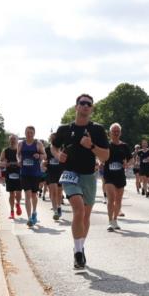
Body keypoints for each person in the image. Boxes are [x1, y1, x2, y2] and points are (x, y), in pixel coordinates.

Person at [54, 94, 109, 269]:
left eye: (89, 104)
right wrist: (57, 155)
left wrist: (91, 146)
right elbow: (53, 146)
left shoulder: (97, 130)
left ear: (91, 109)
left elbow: (106, 156)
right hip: (70, 174)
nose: (85, 106)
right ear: (76, 106)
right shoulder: (64, 129)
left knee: (85, 215)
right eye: (82, 103)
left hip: (88, 176)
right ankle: (78, 253)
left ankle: (80, 247)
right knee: (78, 210)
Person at [104, 123, 131, 231]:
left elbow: (130, 158)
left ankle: (115, 219)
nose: (115, 133)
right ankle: (110, 221)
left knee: (118, 200)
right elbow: (99, 155)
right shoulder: (106, 145)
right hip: (109, 175)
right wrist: (100, 161)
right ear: (110, 133)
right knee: (111, 198)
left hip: (120, 175)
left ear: (120, 133)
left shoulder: (124, 146)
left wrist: (127, 164)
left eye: (117, 131)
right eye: (114, 131)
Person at [19, 126, 46, 227]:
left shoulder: (38, 144)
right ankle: (29, 217)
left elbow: (45, 155)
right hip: (24, 173)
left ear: (34, 134)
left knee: (34, 195)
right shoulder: (21, 144)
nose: (29, 134)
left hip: (35, 173)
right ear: (25, 133)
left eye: (31, 132)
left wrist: (39, 156)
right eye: (27, 132)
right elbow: (18, 154)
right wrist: (18, 160)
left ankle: (34, 212)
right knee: (27, 194)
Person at [0, 135, 22, 220]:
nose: (12, 141)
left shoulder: (20, 150)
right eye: (11, 139)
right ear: (9, 140)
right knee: (11, 193)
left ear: (17, 140)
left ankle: (18, 204)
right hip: (9, 173)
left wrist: (19, 163)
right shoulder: (5, 150)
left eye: (14, 139)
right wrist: (5, 163)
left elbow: (23, 160)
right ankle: (12, 211)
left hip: (19, 173)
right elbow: (0, 161)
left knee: (19, 193)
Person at [45, 133, 64, 221]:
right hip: (50, 172)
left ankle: (59, 206)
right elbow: (43, 160)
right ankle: (55, 211)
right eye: (52, 139)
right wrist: (43, 163)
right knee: (53, 192)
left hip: (60, 172)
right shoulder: (47, 149)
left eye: (55, 139)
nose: (53, 140)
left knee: (59, 193)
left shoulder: (62, 149)